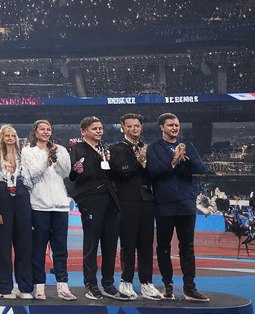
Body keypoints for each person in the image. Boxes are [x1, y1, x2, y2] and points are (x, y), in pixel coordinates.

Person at [147, 112, 210, 302]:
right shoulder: (155, 148)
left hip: (186, 203)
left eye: (176, 125)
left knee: (188, 247)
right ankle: (168, 286)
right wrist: (173, 161)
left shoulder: (187, 146)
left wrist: (187, 160)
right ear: (162, 127)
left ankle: (190, 288)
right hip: (164, 203)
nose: (174, 128)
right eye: (170, 125)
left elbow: (202, 169)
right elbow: (154, 172)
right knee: (163, 247)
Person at [69, 116, 130, 301]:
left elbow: (114, 174)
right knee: (91, 244)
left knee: (111, 244)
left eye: (101, 128)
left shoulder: (105, 148)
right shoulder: (77, 149)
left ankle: (108, 284)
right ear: (83, 131)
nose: (99, 131)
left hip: (110, 199)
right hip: (91, 200)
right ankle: (91, 284)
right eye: (94, 128)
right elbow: (74, 177)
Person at [108, 113, 163, 300]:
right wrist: (139, 162)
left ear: (141, 127)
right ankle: (126, 282)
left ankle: (147, 283)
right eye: (130, 126)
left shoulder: (149, 148)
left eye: (137, 126)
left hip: (147, 200)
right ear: (122, 127)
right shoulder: (115, 149)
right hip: (127, 199)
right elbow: (121, 173)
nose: (134, 129)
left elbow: (155, 174)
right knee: (128, 243)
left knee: (147, 243)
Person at [22, 120, 75, 301]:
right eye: (42, 129)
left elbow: (65, 172)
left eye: (48, 129)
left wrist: (56, 156)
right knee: (38, 248)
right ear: (35, 132)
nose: (46, 132)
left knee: (60, 249)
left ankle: (63, 285)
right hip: (39, 206)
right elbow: (31, 174)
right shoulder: (28, 151)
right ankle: (39, 285)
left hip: (60, 205)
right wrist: (46, 157)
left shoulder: (60, 149)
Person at [0, 124, 31, 299]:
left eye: (13, 135)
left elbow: (30, 178)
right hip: (2, 197)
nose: (10, 138)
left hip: (21, 198)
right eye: (6, 135)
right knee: (2, 246)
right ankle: (5, 287)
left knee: (24, 245)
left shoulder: (23, 157)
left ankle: (25, 287)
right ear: (1, 138)